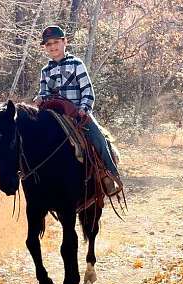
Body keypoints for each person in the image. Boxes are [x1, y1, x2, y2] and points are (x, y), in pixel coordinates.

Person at [34, 25, 121, 195]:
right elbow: (44, 92)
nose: (53, 46)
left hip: (77, 114)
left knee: (97, 138)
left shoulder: (76, 64)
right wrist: (40, 98)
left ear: (64, 42)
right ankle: (19, 174)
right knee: (29, 135)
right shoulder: (45, 70)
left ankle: (110, 175)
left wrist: (84, 108)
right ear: (45, 48)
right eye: (48, 44)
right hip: (54, 114)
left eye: (56, 42)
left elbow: (88, 91)